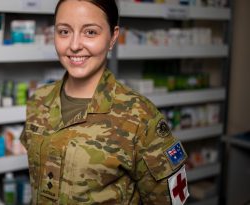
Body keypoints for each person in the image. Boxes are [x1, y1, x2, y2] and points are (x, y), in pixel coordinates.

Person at [21, 0, 189, 204]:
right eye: (64, 31)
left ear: (113, 37)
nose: (74, 45)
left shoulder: (140, 117)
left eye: (90, 32)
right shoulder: (38, 100)